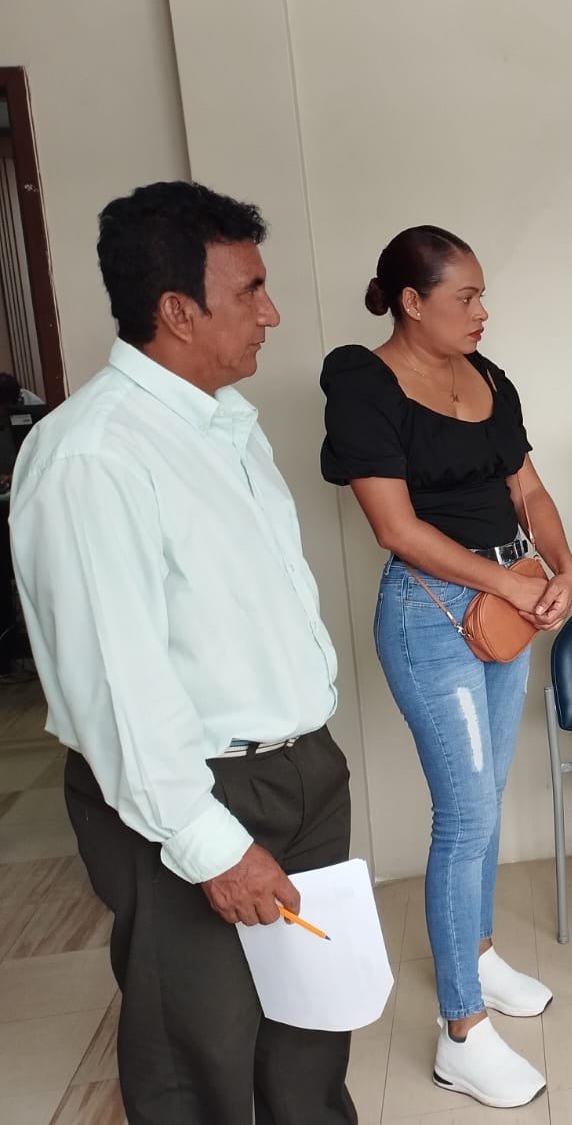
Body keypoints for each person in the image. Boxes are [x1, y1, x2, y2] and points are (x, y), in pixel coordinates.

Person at [9, 181, 354, 1125]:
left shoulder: (227, 427)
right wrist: (209, 846)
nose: (270, 313)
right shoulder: (94, 456)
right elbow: (116, 682)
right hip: (187, 791)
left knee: (309, 1024)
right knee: (200, 1050)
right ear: (177, 310)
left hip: (301, 770)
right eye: (250, 291)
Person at [320, 225, 572, 1110]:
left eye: (481, 295)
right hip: (430, 616)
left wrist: (562, 566)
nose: (481, 311)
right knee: (464, 818)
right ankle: (461, 1034)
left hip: (508, 604)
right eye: (464, 296)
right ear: (410, 302)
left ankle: (478, 954)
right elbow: (395, 528)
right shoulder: (362, 383)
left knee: (487, 798)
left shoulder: (488, 375)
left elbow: (527, 488)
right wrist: (507, 580)